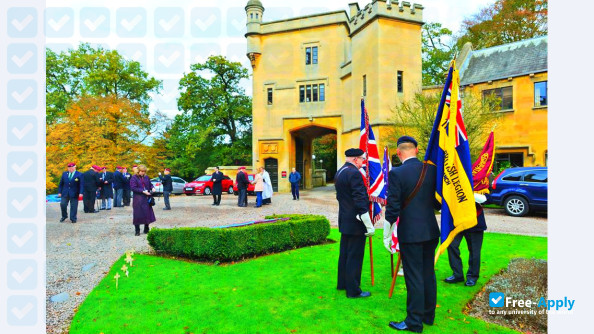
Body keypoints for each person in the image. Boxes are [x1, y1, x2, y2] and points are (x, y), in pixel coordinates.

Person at [383, 136, 441, 333]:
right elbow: (438, 202)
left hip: (411, 234)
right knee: (428, 274)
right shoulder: (432, 170)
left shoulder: (397, 173)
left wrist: (387, 231)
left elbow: (393, 206)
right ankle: (428, 315)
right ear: (416, 149)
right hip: (431, 231)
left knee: (414, 276)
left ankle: (414, 322)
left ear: (399, 153)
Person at [335, 148, 375, 299]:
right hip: (356, 221)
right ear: (356, 159)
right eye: (362, 160)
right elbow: (360, 200)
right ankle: (353, 290)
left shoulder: (341, 171)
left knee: (345, 254)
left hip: (345, 219)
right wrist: (368, 224)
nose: (363, 163)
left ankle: (343, 283)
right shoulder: (354, 173)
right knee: (355, 256)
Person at [445, 193, 489, 287]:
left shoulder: (480, 179)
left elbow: (488, 199)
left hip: (474, 221)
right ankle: (457, 274)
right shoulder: (455, 179)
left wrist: (468, 193)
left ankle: (472, 277)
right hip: (457, 221)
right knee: (451, 245)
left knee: (474, 251)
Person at [130, 164, 156, 236]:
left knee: (147, 213)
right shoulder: (134, 178)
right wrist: (142, 191)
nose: (143, 173)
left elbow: (150, 184)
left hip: (147, 198)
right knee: (137, 214)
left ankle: (146, 228)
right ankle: (137, 230)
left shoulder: (146, 177)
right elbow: (133, 188)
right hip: (138, 198)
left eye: (144, 171)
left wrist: (152, 187)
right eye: (141, 171)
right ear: (138, 171)